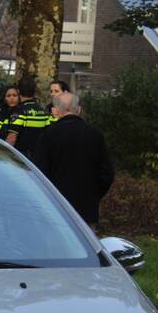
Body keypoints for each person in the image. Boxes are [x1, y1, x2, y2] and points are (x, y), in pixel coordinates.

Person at [33, 91, 114, 226]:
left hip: (57, 207)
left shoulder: (48, 135)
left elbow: (40, 173)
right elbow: (107, 173)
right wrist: (94, 194)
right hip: (87, 208)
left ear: (55, 111)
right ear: (79, 109)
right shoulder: (95, 135)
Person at [6, 76, 51, 158]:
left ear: (18, 91)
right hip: (38, 156)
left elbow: (12, 138)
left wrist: (5, 155)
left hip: (22, 156)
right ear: (34, 91)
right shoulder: (43, 112)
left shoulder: (20, 111)